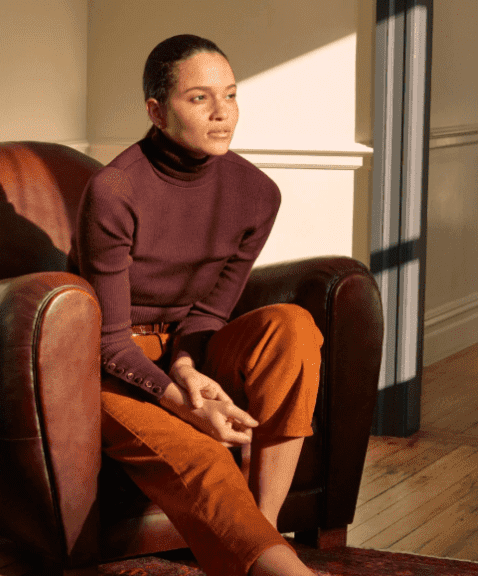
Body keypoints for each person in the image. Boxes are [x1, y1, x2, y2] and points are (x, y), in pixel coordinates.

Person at [68, 34, 322, 576]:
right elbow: (108, 341)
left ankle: (264, 531)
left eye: (230, 95)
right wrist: (180, 401)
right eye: (199, 98)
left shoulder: (258, 193)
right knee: (202, 451)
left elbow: (210, 313)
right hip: (108, 367)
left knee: (294, 326)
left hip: (187, 352)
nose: (223, 114)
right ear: (156, 111)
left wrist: (185, 365)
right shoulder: (114, 191)